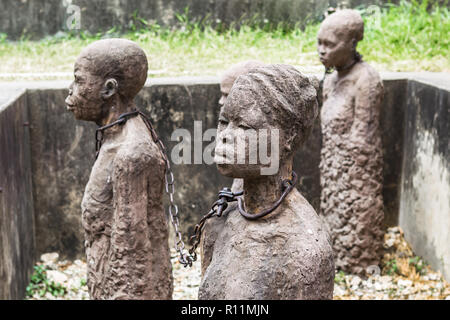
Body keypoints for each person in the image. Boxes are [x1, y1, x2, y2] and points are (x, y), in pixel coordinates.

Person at [199, 64, 334, 299]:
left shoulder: (304, 250)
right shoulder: (218, 222)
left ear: (288, 138)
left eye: (243, 126)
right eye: (224, 121)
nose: (225, 135)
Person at [65, 39, 173, 299]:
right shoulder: (114, 138)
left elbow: (131, 256)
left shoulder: (131, 154)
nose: (70, 90)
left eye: (79, 81)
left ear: (108, 88)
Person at [317, 9, 385, 275]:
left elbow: (363, 140)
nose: (322, 51)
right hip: (332, 172)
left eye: (330, 45)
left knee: (354, 233)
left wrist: (348, 184)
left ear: (351, 44)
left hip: (356, 180)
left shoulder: (366, 79)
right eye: (319, 43)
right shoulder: (330, 81)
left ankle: (358, 264)